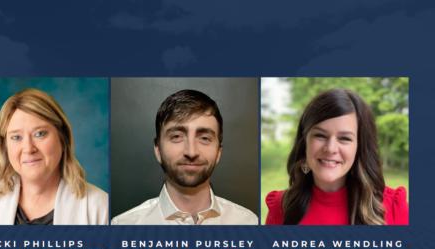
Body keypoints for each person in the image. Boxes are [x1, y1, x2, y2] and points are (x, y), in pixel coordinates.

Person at [0, 88, 108, 225]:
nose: (29, 148)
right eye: (16, 137)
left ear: (63, 138)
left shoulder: (99, 206)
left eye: (40, 134)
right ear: (5, 146)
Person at [111, 89, 258, 225]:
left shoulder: (249, 222)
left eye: (204, 138)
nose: (191, 152)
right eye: (176, 136)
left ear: (218, 152)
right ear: (158, 150)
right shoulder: (122, 226)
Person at [265, 88, 408, 225]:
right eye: (320, 135)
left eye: (344, 138)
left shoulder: (393, 206)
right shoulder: (281, 207)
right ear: (304, 142)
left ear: (359, 147)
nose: (330, 148)